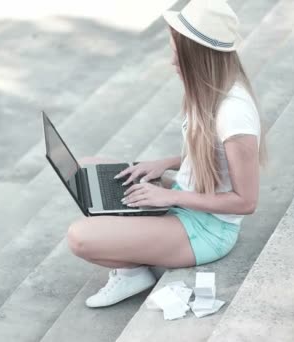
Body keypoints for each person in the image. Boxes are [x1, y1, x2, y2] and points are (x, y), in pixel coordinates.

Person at [67, 0, 266, 308]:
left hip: (207, 228)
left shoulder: (234, 114)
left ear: (197, 57)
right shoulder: (207, 88)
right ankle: (135, 255)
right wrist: (168, 164)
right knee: (84, 169)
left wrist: (169, 197)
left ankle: (133, 272)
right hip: (188, 194)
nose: (172, 61)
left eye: (177, 54)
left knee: (79, 237)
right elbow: (213, 156)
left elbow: (246, 201)